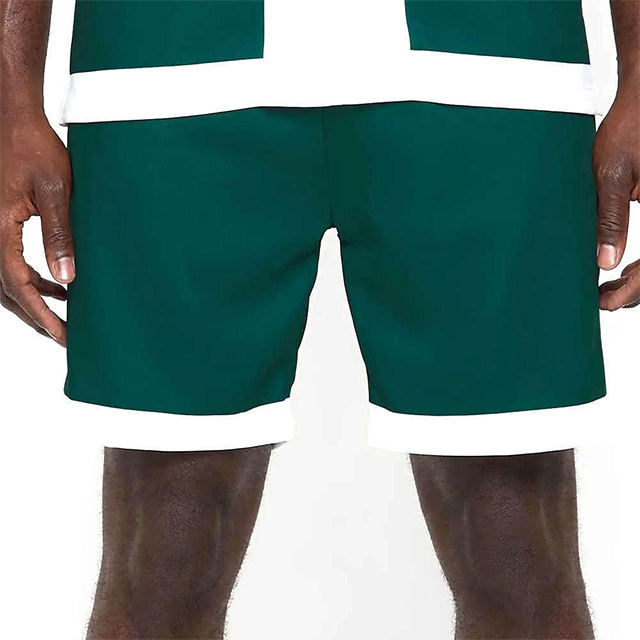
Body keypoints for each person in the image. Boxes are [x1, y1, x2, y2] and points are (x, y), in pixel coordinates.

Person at [0, 1, 638, 638]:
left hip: (489, 57)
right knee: (167, 543)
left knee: (515, 540)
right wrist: (10, 104)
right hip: (168, 57)